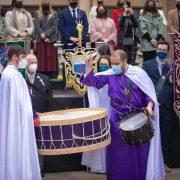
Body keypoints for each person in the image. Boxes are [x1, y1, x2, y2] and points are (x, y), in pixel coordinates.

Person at [81, 50, 165, 180]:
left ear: (125, 61)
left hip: (138, 119)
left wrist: (149, 106)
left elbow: (148, 94)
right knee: (118, 156)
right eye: (112, 63)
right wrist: (89, 66)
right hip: (116, 120)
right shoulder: (110, 74)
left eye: (116, 63)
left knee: (138, 155)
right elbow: (92, 82)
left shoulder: (139, 74)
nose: (113, 66)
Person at [0, 46, 41, 180]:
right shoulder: (9, 75)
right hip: (14, 120)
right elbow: (13, 102)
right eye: (23, 58)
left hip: (21, 119)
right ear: (14, 57)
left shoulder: (16, 73)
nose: (24, 61)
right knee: (14, 148)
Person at [142, 41, 180, 169]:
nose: (162, 51)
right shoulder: (147, 65)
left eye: (164, 49)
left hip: (167, 106)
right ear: (156, 49)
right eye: (160, 49)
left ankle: (162, 163)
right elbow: (143, 83)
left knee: (165, 134)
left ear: (168, 51)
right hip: (151, 105)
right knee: (149, 133)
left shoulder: (173, 67)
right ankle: (148, 162)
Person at [81, 55, 111, 173]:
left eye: (106, 65)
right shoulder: (97, 77)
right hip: (99, 110)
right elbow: (87, 80)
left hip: (112, 110)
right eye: (101, 64)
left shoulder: (113, 76)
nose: (103, 66)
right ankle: (99, 166)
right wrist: (89, 66)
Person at [26, 54, 53, 177]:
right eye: (31, 62)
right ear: (25, 64)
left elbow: (49, 100)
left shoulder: (44, 79)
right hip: (25, 119)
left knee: (40, 143)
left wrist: (46, 116)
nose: (34, 64)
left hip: (41, 118)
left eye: (35, 62)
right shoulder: (20, 79)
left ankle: (40, 168)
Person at [34, 0, 58, 78]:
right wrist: (43, 36)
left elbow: (54, 26)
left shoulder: (54, 13)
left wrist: (46, 35)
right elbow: (37, 26)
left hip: (51, 39)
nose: (45, 1)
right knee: (41, 59)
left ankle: (52, 75)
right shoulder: (37, 13)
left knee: (51, 59)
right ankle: (41, 75)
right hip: (40, 40)